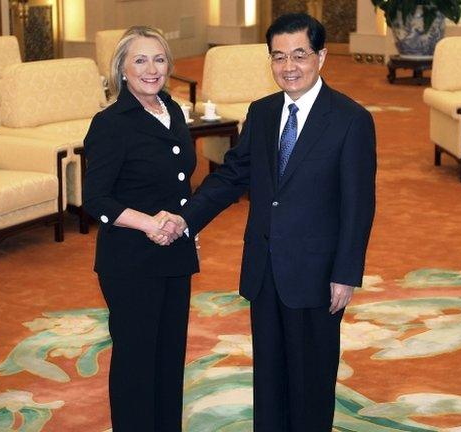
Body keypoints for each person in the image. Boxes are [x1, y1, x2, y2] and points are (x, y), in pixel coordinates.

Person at [160, 13, 377, 431]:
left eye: (300, 54)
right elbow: (230, 177)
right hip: (264, 270)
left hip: (317, 275)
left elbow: (359, 205)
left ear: (322, 56)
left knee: (311, 383)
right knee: (270, 381)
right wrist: (185, 219)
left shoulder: (350, 120)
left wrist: (346, 273)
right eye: (279, 57)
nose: (289, 66)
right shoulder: (261, 113)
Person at [82, 26, 198, 432]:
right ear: (122, 70)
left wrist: (182, 224)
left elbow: (180, 182)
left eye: (160, 59)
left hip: (175, 254)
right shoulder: (111, 123)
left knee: (169, 358)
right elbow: (96, 199)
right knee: (136, 363)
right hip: (130, 261)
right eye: (140, 60)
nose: (152, 69)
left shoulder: (173, 110)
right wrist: (150, 224)